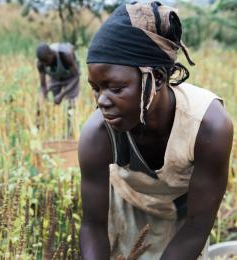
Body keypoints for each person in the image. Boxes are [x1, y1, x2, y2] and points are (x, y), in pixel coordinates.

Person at [78, 2, 233, 260]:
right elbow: (93, 226)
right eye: (96, 88)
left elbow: (197, 225)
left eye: (115, 88)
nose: (101, 101)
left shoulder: (208, 127)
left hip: (185, 217)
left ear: (158, 79)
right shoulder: (97, 135)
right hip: (126, 207)